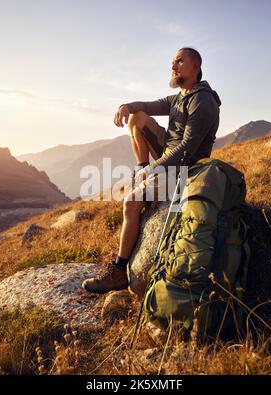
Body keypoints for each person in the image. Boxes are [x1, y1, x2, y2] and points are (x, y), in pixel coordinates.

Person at [82, 47, 221, 294]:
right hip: (168, 157)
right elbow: (147, 105)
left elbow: (189, 147)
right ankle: (141, 168)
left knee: (131, 203)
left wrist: (155, 169)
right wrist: (126, 106)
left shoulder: (203, 100)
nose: (174, 66)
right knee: (138, 116)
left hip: (185, 168)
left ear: (195, 67)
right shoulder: (180, 97)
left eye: (180, 61)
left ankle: (119, 271)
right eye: (172, 62)